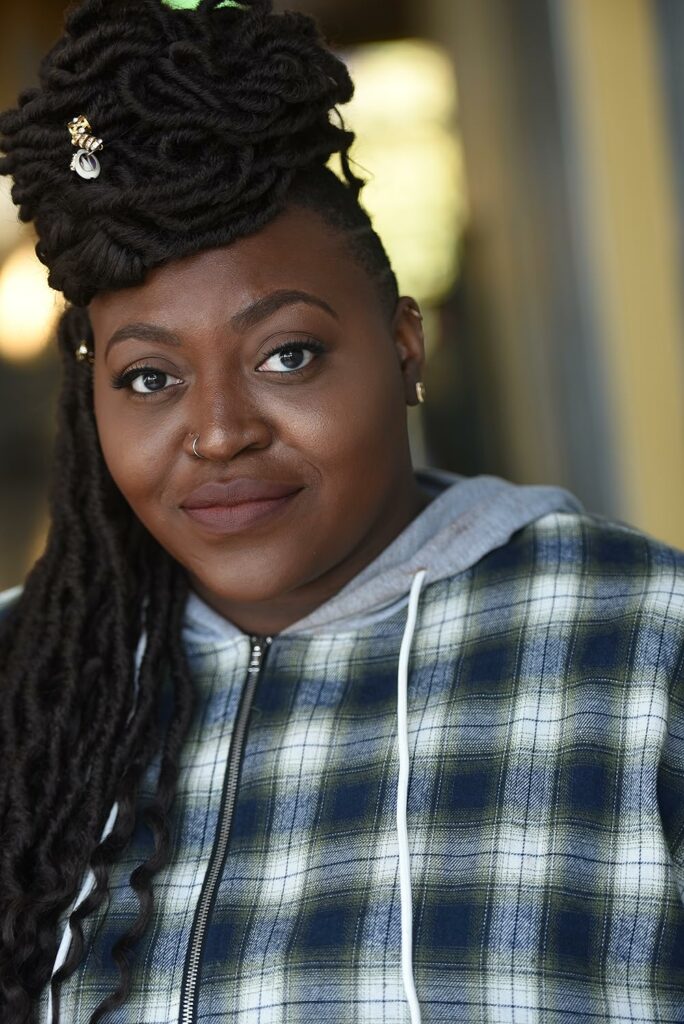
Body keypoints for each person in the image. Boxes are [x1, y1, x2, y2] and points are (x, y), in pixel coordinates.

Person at [0, 0, 682, 1021]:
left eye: (288, 355)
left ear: (404, 348)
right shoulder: (26, 678)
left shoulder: (642, 644)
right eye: (149, 378)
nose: (219, 432)